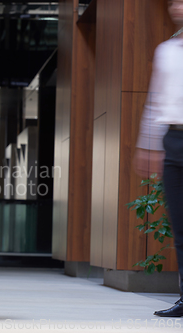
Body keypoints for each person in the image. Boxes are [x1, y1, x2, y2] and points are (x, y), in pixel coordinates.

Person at [134, 0, 183, 318]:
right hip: (174, 140)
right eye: (174, 2)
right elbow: (155, 100)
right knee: (181, 226)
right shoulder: (166, 50)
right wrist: (148, 145)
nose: (177, 7)